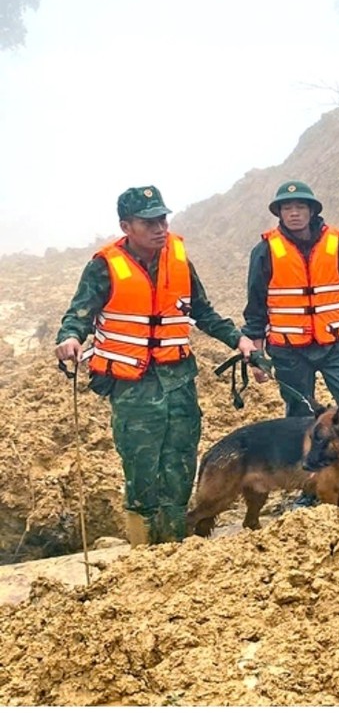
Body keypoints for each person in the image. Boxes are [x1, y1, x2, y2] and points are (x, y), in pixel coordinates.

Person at [54, 186, 257, 546]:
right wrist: (71, 337)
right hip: (133, 387)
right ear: (126, 226)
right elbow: (79, 313)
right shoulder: (104, 266)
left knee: (180, 464)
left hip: (178, 381)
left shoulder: (178, 259)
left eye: (162, 219)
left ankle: (174, 546)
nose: (159, 228)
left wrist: (237, 339)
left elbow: (202, 311)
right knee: (141, 468)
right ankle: (143, 552)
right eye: (148, 222)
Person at [243, 180, 339, 507]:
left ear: (312, 210)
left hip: (335, 343)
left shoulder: (334, 244)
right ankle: (309, 487)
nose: (294, 213)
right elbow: (256, 303)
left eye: (300, 207)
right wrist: (255, 351)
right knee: (299, 414)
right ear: (280, 213)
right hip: (288, 347)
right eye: (287, 208)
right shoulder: (266, 250)